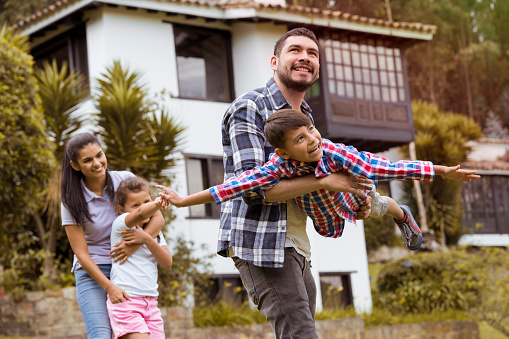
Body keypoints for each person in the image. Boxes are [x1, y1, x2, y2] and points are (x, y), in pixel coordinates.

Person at [207, 27, 372, 339]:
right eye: (295, 50)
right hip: (261, 243)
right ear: (274, 61)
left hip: (297, 244)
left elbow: (316, 185)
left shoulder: (305, 118)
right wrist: (326, 180)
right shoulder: (250, 107)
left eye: (312, 53)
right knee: (301, 334)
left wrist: (350, 200)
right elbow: (253, 190)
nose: (305, 57)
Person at [158, 108, 480, 251]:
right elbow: (231, 187)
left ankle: (402, 216)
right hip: (325, 217)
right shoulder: (276, 168)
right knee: (333, 230)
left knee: (375, 202)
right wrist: (184, 200)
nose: (312, 140)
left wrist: (438, 170)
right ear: (283, 153)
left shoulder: (335, 152)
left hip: (354, 194)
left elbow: (385, 168)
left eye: (310, 129)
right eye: (300, 139)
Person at [61, 133, 165, 338]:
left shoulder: (124, 179)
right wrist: (109, 287)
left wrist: (136, 244)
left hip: (127, 267)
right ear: (75, 166)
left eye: (99, 155)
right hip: (93, 272)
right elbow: (81, 253)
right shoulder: (71, 199)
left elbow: (158, 218)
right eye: (88, 160)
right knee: (100, 334)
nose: (97, 163)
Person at [107, 176, 173, 339]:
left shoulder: (156, 234)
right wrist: (157, 204)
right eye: (135, 205)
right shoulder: (121, 225)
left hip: (151, 304)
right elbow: (142, 213)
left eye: (146, 201)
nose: (143, 208)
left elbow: (167, 262)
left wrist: (146, 239)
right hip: (126, 301)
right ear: (122, 210)